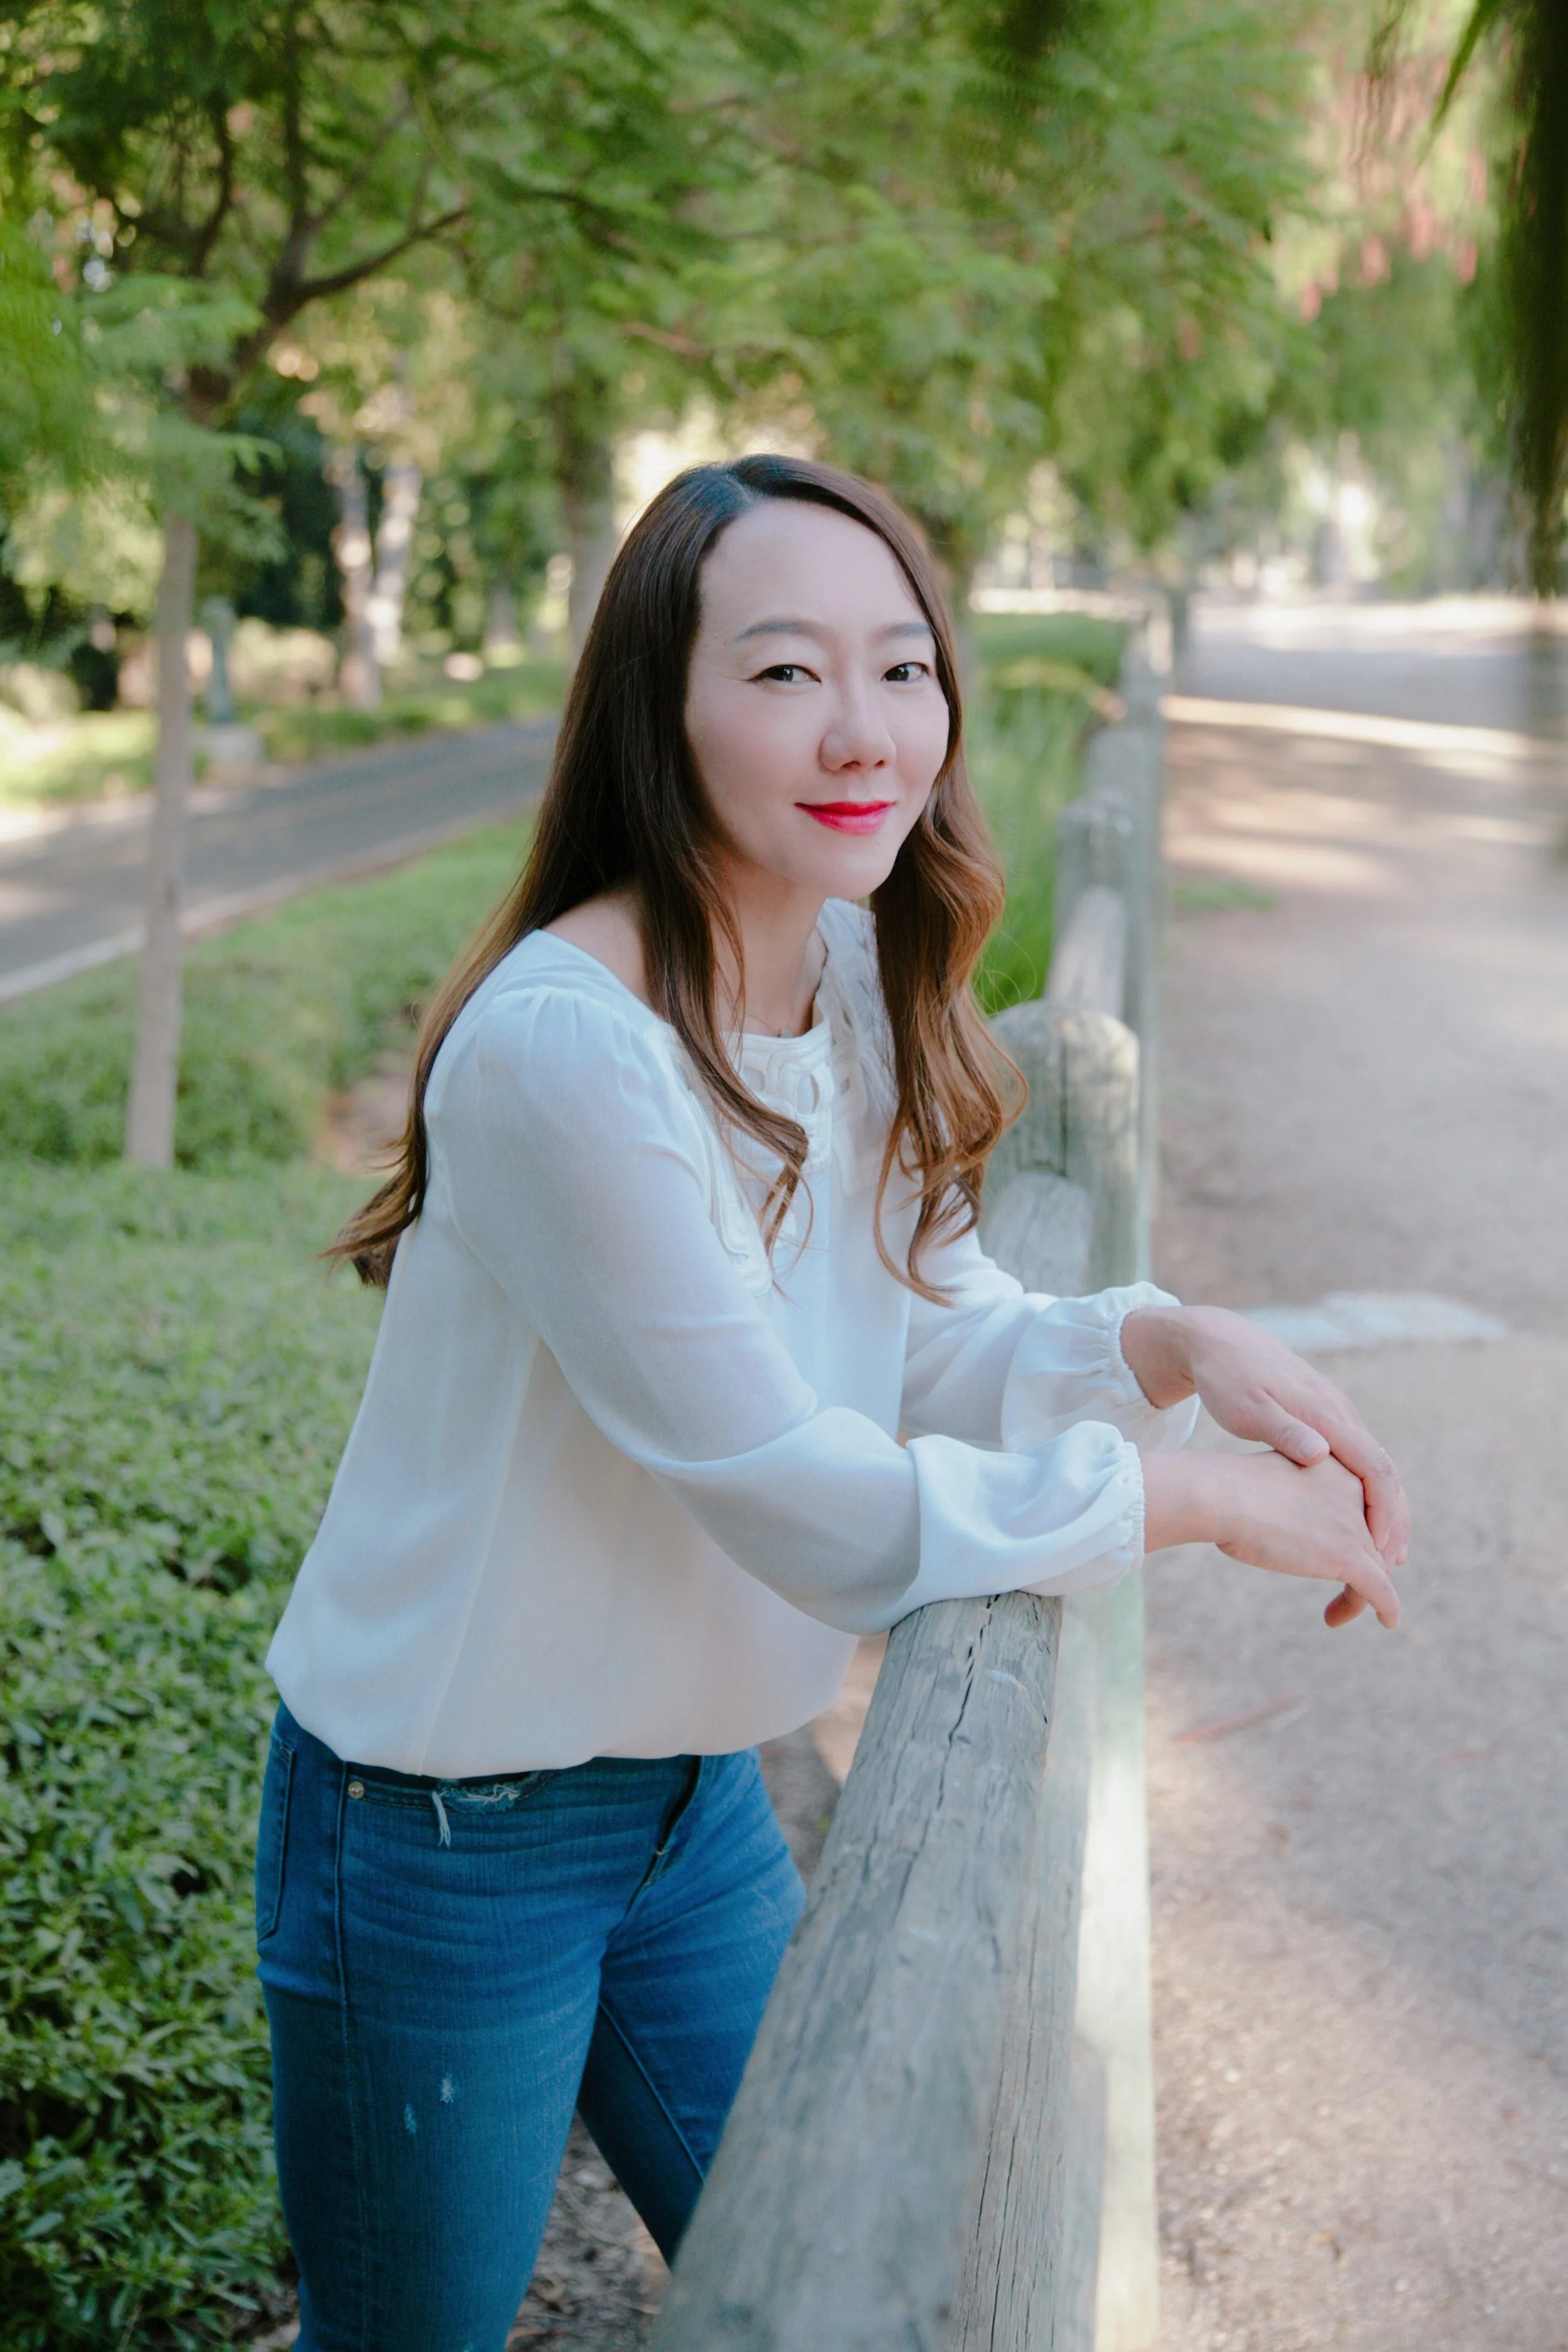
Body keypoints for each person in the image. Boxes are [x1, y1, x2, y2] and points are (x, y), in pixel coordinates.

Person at [255, 454, 1407, 2352]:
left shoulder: (848, 967)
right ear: (663, 706)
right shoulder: (566, 1049)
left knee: (865, 2286)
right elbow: (813, 1500)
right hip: (443, 1835)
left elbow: (926, 1331)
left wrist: (1169, 1340)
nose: (860, 727)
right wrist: (1189, 1499)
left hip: (681, 1795)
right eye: (783, 672)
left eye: (900, 666)